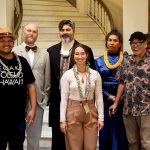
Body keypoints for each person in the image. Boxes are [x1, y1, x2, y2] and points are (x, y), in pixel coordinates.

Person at [47, 20, 96, 150]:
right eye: (62, 30)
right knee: (58, 136)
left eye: (68, 29)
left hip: (78, 101)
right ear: (59, 32)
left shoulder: (84, 50)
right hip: (57, 100)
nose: (65, 32)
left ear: (74, 31)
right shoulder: (51, 51)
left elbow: (91, 77)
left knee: (77, 140)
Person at [109, 31, 150, 150]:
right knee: (132, 143)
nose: (135, 46)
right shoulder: (126, 61)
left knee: (146, 143)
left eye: (138, 43)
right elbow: (121, 82)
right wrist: (116, 102)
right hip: (129, 108)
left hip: (146, 109)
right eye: (132, 43)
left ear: (145, 44)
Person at [13, 23, 50, 150]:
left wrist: (44, 98)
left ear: (37, 35)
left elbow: (47, 79)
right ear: (23, 32)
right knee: (15, 137)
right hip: (17, 101)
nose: (31, 33)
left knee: (34, 139)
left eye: (34, 31)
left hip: (37, 103)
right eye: (29, 30)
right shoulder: (14, 51)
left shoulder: (45, 54)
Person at [60, 43, 104, 150]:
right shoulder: (67, 75)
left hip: (90, 110)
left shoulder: (95, 74)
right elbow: (64, 99)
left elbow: (98, 98)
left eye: (82, 54)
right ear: (73, 56)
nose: (80, 57)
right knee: (74, 146)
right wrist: (62, 120)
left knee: (91, 146)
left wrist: (101, 118)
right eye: (77, 54)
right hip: (73, 110)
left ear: (87, 55)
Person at [0, 27, 36, 150]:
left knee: (17, 147)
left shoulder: (22, 61)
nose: (6, 43)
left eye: (9, 40)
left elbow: (31, 85)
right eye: (2, 40)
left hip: (18, 118)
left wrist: (33, 109)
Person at [95, 29, 128, 150]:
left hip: (124, 101)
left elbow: (129, 80)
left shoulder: (127, 59)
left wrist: (120, 98)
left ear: (120, 43)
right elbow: (96, 84)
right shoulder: (98, 61)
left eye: (115, 40)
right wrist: (109, 96)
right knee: (106, 131)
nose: (112, 43)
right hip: (104, 99)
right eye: (109, 40)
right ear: (106, 42)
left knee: (122, 131)